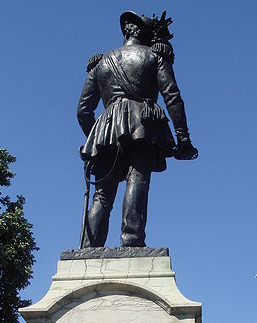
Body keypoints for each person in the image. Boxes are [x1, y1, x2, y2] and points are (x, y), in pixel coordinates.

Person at [77, 11, 198, 248]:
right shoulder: (153, 56)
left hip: (106, 128)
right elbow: (172, 97)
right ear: (143, 33)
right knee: (138, 179)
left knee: (102, 195)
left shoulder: (100, 64)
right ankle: (131, 241)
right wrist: (183, 139)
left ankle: (88, 248)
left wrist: (97, 137)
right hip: (142, 125)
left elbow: (83, 111)